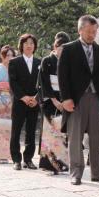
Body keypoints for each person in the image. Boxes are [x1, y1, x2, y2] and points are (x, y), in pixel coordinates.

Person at [58, 15, 99, 185]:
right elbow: (62, 76)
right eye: (89, 32)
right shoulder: (68, 49)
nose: (92, 35)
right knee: (75, 138)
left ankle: (98, 172)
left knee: (97, 137)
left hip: (96, 98)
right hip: (76, 99)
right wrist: (65, 98)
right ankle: (76, 173)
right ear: (80, 30)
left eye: (94, 32)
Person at [38, 32, 70, 174]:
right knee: (49, 132)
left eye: (64, 48)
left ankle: (61, 163)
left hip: (65, 101)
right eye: (59, 47)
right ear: (54, 46)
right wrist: (54, 99)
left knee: (63, 132)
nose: (61, 50)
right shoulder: (47, 61)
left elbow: (71, 84)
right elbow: (43, 83)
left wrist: (66, 100)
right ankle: (48, 164)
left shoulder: (69, 63)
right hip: (51, 101)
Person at [9, 34, 41, 171]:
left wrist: (36, 98)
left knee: (31, 131)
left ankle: (28, 159)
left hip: (34, 102)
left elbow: (43, 84)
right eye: (26, 43)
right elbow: (13, 82)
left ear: (35, 46)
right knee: (16, 131)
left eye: (31, 43)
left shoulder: (40, 63)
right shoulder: (14, 62)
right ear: (21, 45)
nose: (29, 45)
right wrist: (24, 97)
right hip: (19, 102)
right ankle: (16, 159)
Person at [0, 45, 16, 163]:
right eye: (8, 55)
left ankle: (6, 155)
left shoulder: (13, 70)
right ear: (2, 56)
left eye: (12, 55)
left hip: (10, 103)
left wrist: (12, 102)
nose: (10, 58)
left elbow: (15, 89)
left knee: (7, 128)